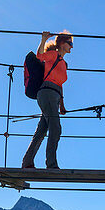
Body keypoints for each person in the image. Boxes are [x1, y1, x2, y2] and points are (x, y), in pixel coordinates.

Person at [22, 30, 73, 169]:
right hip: (47, 92)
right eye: (70, 43)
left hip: (54, 96)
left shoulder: (64, 63)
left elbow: (60, 84)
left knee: (42, 130)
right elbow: (39, 55)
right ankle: (51, 164)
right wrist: (43, 39)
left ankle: (27, 162)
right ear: (62, 44)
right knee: (55, 129)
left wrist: (62, 105)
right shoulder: (54, 55)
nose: (71, 46)